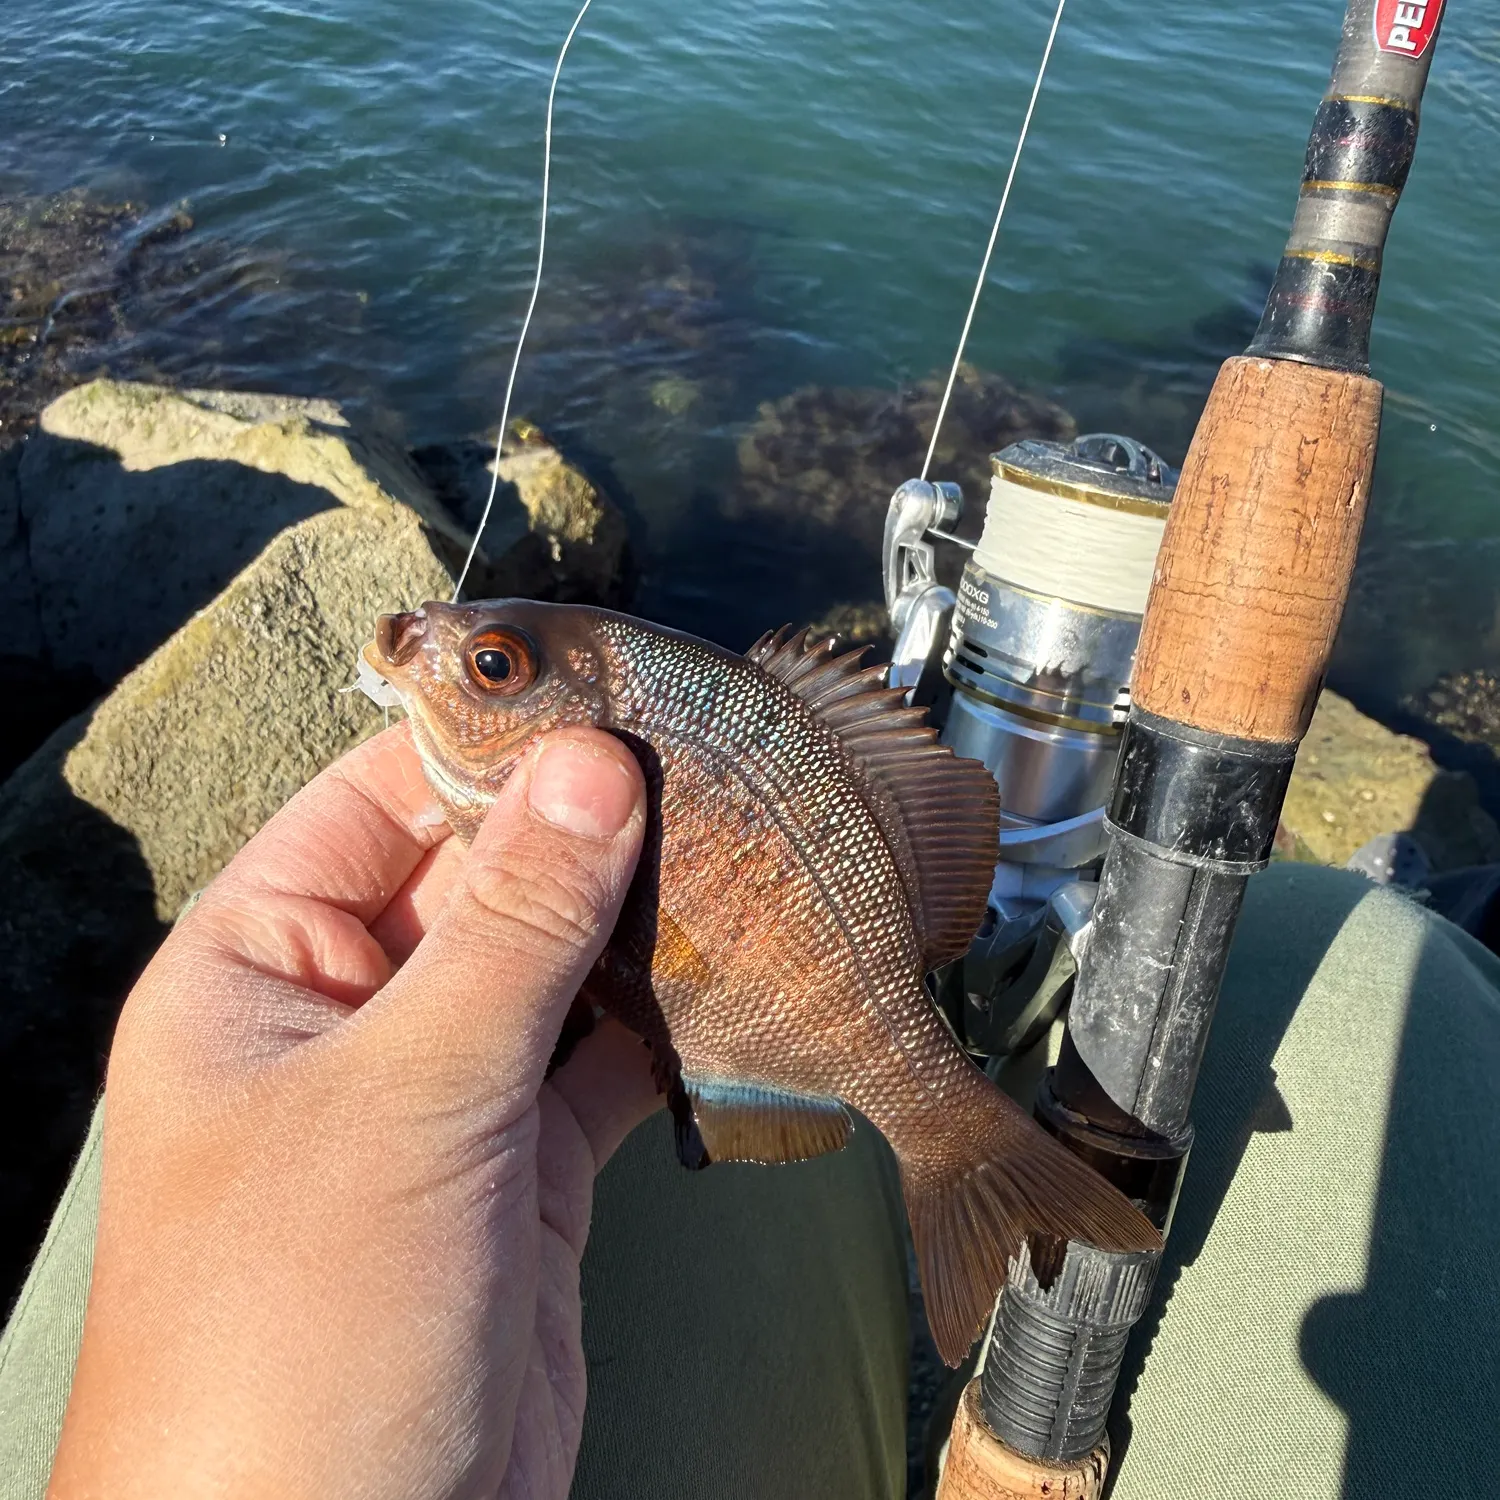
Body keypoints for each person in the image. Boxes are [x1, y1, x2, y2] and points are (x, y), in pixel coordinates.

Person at [1, 724, 1497, 1498]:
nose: (427, 658)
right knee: (1353, 942)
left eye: (499, 671)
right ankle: (982, 1112)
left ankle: (956, 1131)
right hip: (784, 1027)